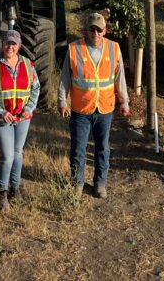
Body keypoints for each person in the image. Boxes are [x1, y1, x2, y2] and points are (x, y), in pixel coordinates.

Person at [58, 12, 130, 198]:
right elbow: (65, 77)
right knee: (78, 148)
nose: (95, 33)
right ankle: (77, 183)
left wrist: (124, 101)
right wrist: (62, 101)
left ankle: (100, 183)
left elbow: (119, 78)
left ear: (105, 31)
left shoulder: (114, 49)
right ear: (86, 30)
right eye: (92, 29)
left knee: (102, 148)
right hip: (81, 109)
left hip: (105, 108)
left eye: (99, 30)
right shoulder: (74, 49)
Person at [0, 27, 41, 211]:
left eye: (13, 44)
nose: (10, 47)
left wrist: (28, 109)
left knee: (18, 153)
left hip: (22, 118)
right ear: (2, 44)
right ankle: (2, 193)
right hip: (2, 119)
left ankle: (16, 189)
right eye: (7, 43)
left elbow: (35, 89)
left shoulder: (28, 65)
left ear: (19, 46)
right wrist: (0, 111)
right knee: (7, 157)